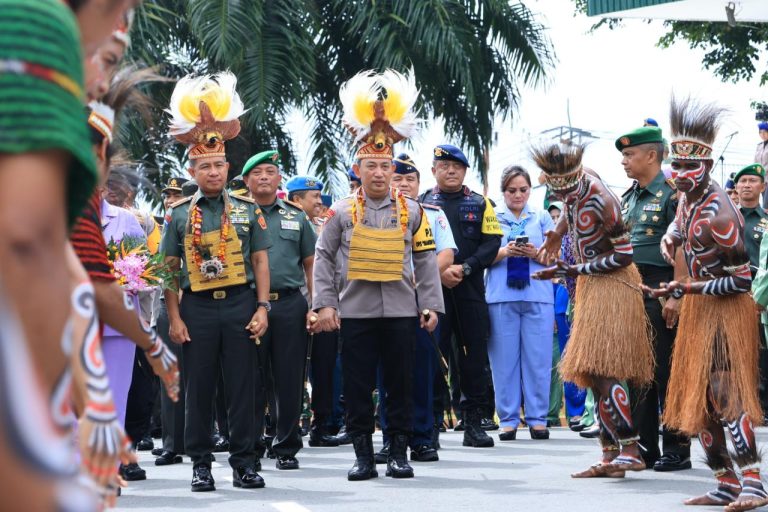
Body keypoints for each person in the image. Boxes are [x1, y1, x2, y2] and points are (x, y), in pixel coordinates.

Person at [312, 69, 443, 481]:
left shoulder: (413, 212)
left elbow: (425, 259)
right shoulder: (340, 212)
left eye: (386, 166)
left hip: (402, 311)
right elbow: (323, 256)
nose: (380, 173)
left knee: (401, 383)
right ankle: (363, 456)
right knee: (356, 385)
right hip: (356, 312)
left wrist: (430, 305)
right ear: (359, 168)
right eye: (371, 166)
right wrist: (325, 305)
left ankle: (399, 452)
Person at [648, 97, 766, 510]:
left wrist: (688, 289)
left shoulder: (721, 214)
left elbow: (742, 280)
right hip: (700, 309)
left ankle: (753, 483)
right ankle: (725, 482)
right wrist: (670, 237)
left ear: (708, 166)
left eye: (689, 167)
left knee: (724, 394)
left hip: (725, 312)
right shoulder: (688, 198)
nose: (680, 175)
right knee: (699, 399)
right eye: (676, 166)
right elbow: (680, 225)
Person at [161, 72, 271, 492]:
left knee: (243, 386)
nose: (212, 172)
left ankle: (245, 463)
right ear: (192, 170)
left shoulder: (246, 209)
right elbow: (170, 269)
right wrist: (175, 317)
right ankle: (201, 464)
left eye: (218, 165)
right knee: (199, 389)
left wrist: (263, 307)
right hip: (197, 309)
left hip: (241, 303)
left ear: (228, 167)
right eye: (204, 166)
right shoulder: (178, 215)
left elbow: (260, 259)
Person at [533, 143, 653, 478]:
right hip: (590, 285)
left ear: (577, 178)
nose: (563, 197)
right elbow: (568, 209)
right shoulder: (571, 187)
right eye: (557, 192)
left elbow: (625, 255)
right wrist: (557, 234)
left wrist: (575, 270)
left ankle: (630, 450)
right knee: (592, 372)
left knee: (605, 369)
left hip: (613, 285)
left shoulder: (602, 199)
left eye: (566, 191)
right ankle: (609, 454)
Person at [617, 126, 691, 472]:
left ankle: (677, 447)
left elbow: (684, 247)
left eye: (629, 154)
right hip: (631, 287)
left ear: (651, 155)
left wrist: (676, 294)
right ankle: (645, 447)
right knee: (637, 371)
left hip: (662, 287)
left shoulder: (673, 195)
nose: (624, 161)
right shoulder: (629, 197)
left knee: (667, 369)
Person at [419, 144, 502, 448]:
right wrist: (439, 271)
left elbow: (492, 244)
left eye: (456, 166)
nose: (450, 171)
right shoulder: (420, 204)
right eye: (444, 166)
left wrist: (465, 268)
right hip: (433, 292)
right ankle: (431, 425)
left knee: (473, 358)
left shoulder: (481, 203)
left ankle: (473, 423)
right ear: (434, 171)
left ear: (465, 171)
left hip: (469, 290)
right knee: (432, 356)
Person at [375, 153, 457, 463]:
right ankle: (390, 438)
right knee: (388, 374)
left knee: (422, 371)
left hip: (420, 302)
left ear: (420, 184)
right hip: (384, 302)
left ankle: (422, 438)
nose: (404, 184)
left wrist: (416, 278)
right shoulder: (371, 212)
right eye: (398, 178)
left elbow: (446, 254)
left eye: (410, 179)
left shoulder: (431, 214)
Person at [243, 150, 317, 470]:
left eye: (270, 171)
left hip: (289, 303)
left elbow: (311, 264)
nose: (264, 177)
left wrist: (315, 306)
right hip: (246, 303)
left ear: (279, 179)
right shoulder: (235, 214)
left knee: (289, 378)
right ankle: (251, 444)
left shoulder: (296, 216)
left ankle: (286, 445)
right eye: (257, 172)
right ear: (245, 180)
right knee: (249, 378)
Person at [485, 165, 554, 440]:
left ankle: (538, 419)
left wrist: (535, 253)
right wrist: (505, 251)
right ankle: (508, 419)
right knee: (503, 362)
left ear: (530, 190)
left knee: (538, 360)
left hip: (537, 295)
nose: (518, 195)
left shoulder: (542, 216)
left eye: (523, 190)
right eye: (511, 190)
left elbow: (555, 258)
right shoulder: (491, 216)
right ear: (503, 191)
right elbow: (481, 256)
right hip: (501, 296)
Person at [154, 177, 190, 467]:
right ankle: (173, 443)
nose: (171, 201)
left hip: (203, 301)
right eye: (169, 196)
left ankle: (202, 437)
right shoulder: (166, 224)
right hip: (171, 303)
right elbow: (164, 267)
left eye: (177, 196)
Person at [732, 163, 768, 421]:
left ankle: (761, 405)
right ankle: (735, 404)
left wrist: (761, 296)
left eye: (752, 181)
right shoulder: (726, 217)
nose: (746, 185)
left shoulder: (766, 221)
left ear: (762, 187)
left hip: (758, 294)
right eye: (742, 181)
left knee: (760, 351)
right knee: (733, 351)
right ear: (736, 187)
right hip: (729, 292)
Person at [754, 122, 768, 207]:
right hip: (761, 178)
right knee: (763, 201)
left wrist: (762, 170)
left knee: (766, 205)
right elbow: (755, 162)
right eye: (761, 132)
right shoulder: (759, 146)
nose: (763, 134)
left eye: (765, 132)